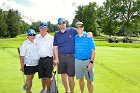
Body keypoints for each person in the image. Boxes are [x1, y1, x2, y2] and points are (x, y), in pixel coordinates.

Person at [53, 18, 76, 93]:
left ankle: (72, 92)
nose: (62, 24)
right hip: (61, 57)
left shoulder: (72, 30)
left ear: (66, 23)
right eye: (60, 23)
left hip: (71, 57)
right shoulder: (56, 34)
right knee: (63, 75)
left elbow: (80, 31)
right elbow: (55, 47)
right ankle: (67, 91)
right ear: (58, 25)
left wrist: (88, 33)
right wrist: (56, 58)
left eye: (63, 22)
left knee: (71, 77)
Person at [74, 21, 95, 93]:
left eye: (81, 26)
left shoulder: (88, 36)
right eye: (77, 27)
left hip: (87, 61)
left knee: (89, 81)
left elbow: (93, 50)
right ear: (76, 28)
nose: (79, 28)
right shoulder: (75, 37)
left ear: (83, 28)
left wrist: (91, 62)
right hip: (78, 61)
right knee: (81, 79)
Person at [36, 22, 54, 93]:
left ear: (47, 29)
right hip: (40, 59)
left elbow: (54, 49)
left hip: (49, 59)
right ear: (39, 29)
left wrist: (55, 60)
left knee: (48, 76)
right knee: (42, 76)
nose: (43, 29)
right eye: (41, 28)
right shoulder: (36, 37)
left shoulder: (51, 38)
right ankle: (43, 89)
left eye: (44, 28)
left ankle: (48, 90)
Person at [20, 29, 39, 93]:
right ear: (28, 35)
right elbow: (22, 56)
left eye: (34, 34)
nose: (32, 36)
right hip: (29, 65)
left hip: (36, 64)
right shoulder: (25, 43)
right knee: (29, 79)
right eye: (30, 34)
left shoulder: (36, 42)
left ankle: (29, 91)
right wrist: (22, 66)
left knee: (31, 78)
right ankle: (28, 91)